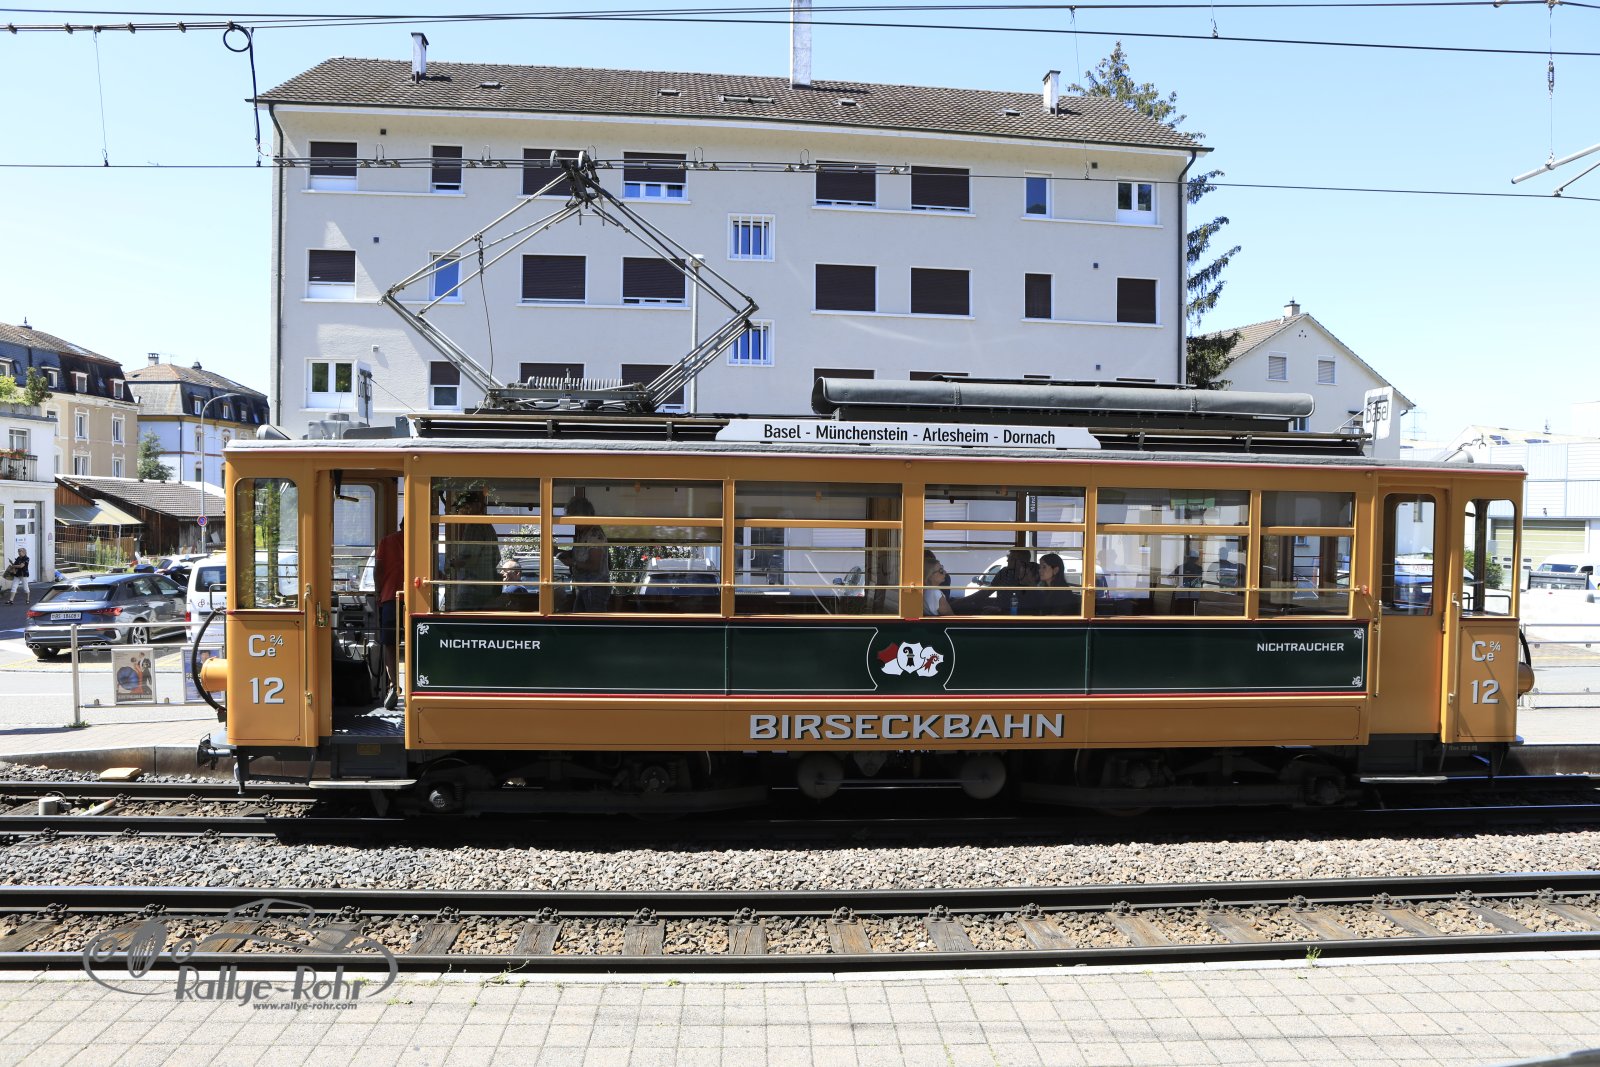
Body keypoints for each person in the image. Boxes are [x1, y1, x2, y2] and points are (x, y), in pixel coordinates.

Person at [445, 490, 499, 612]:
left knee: (461, 619)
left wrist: (451, 563)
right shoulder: (488, 526)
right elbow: (497, 558)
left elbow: (470, 560)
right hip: (486, 587)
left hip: (471, 588)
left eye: (461, 508)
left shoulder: (474, 526)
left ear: (469, 507)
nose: (459, 512)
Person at [556, 496, 610, 612]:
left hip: (595, 588)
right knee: (579, 618)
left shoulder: (595, 535)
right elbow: (578, 553)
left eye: (575, 518)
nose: (574, 523)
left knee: (592, 621)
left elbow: (594, 565)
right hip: (585, 586)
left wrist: (573, 563)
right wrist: (558, 552)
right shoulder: (583, 533)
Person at [374, 521, 404, 710]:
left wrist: (378, 592)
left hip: (390, 597)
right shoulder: (421, 541)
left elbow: (378, 569)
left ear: (401, 525)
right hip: (416, 599)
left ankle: (394, 684)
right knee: (416, 642)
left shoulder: (387, 541)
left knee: (390, 644)